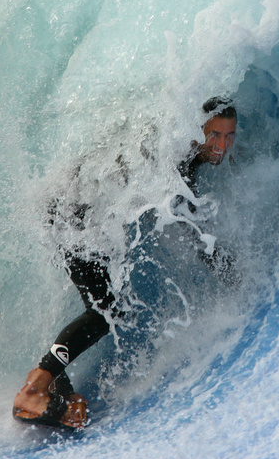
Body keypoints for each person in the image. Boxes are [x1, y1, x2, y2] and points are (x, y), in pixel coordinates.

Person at [12, 97, 237, 429]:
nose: (221, 145)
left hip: (70, 205)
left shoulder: (178, 144)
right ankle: (34, 388)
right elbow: (193, 227)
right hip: (74, 213)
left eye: (229, 135)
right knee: (105, 312)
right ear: (196, 130)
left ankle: (56, 382)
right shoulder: (178, 160)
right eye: (214, 134)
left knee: (102, 306)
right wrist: (233, 275)